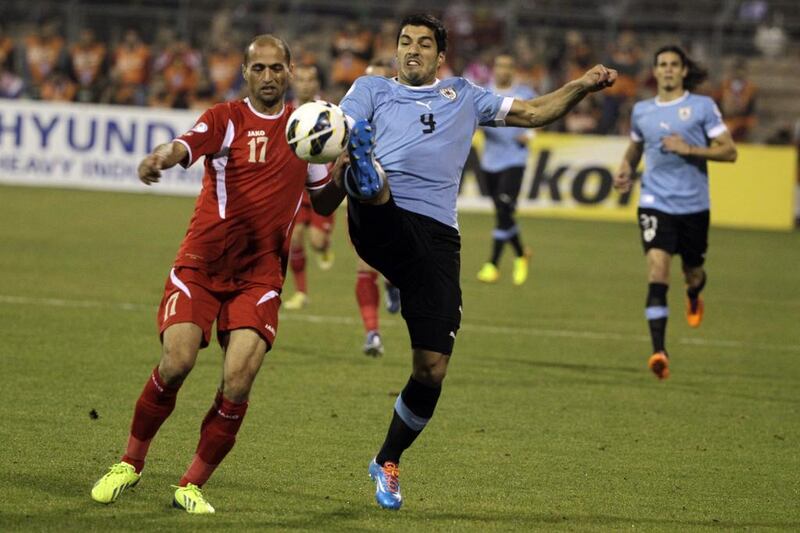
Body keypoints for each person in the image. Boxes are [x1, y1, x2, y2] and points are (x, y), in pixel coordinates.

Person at [314, 13, 617, 509]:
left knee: (432, 368)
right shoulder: (369, 90)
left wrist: (582, 84)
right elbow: (335, 136)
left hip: (437, 238)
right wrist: (341, 169)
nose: (412, 50)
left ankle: (387, 460)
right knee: (373, 185)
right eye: (405, 42)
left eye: (424, 44)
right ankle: (368, 176)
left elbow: (536, 112)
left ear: (440, 55)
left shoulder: (465, 96)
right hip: (382, 217)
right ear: (396, 50)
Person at [90, 35, 344, 514]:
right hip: (202, 266)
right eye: (259, 69)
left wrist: (344, 175)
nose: (268, 77)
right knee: (177, 362)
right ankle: (130, 462)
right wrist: (158, 158)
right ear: (244, 73)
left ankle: (190, 484)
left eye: (276, 68)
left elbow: (323, 199)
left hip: (260, 276)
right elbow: (183, 146)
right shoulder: (224, 119)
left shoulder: (304, 129)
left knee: (238, 382)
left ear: (289, 70)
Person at [613, 45, 737, 380]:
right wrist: (625, 167)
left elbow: (730, 151)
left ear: (683, 71)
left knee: (693, 272)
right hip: (655, 201)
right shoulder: (642, 111)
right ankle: (659, 351)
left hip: (694, 206)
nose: (667, 70)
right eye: (662, 65)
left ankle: (694, 293)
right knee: (657, 268)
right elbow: (637, 145)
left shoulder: (701, 107)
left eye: (673, 65)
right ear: (654, 71)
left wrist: (690, 149)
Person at [475, 53, 536, 286]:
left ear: (513, 70)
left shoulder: (525, 94)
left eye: (508, 66)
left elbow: (538, 116)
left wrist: (529, 134)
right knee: (503, 213)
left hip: (514, 160)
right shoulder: (484, 93)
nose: (504, 70)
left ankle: (493, 264)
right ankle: (521, 253)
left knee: (502, 207)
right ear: (494, 68)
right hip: (490, 161)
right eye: (500, 65)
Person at [355, 57, 401, 356]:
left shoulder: (403, 117)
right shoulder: (354, 112)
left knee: (394, 263)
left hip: (399, 192)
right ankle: (372, 333)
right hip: (363, 191)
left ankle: (393, 283)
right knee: (365, 265)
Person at [283, 63, 338, 310]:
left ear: (317, 84)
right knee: (294, 239)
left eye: (310, 80)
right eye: (301, 79)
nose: (305, 84)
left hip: (320, 187)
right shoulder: (285, 112)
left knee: (315, 242)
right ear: (294, 82)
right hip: (294, 187)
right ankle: (301, 292)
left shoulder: (328, 112)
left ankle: (325, 247)